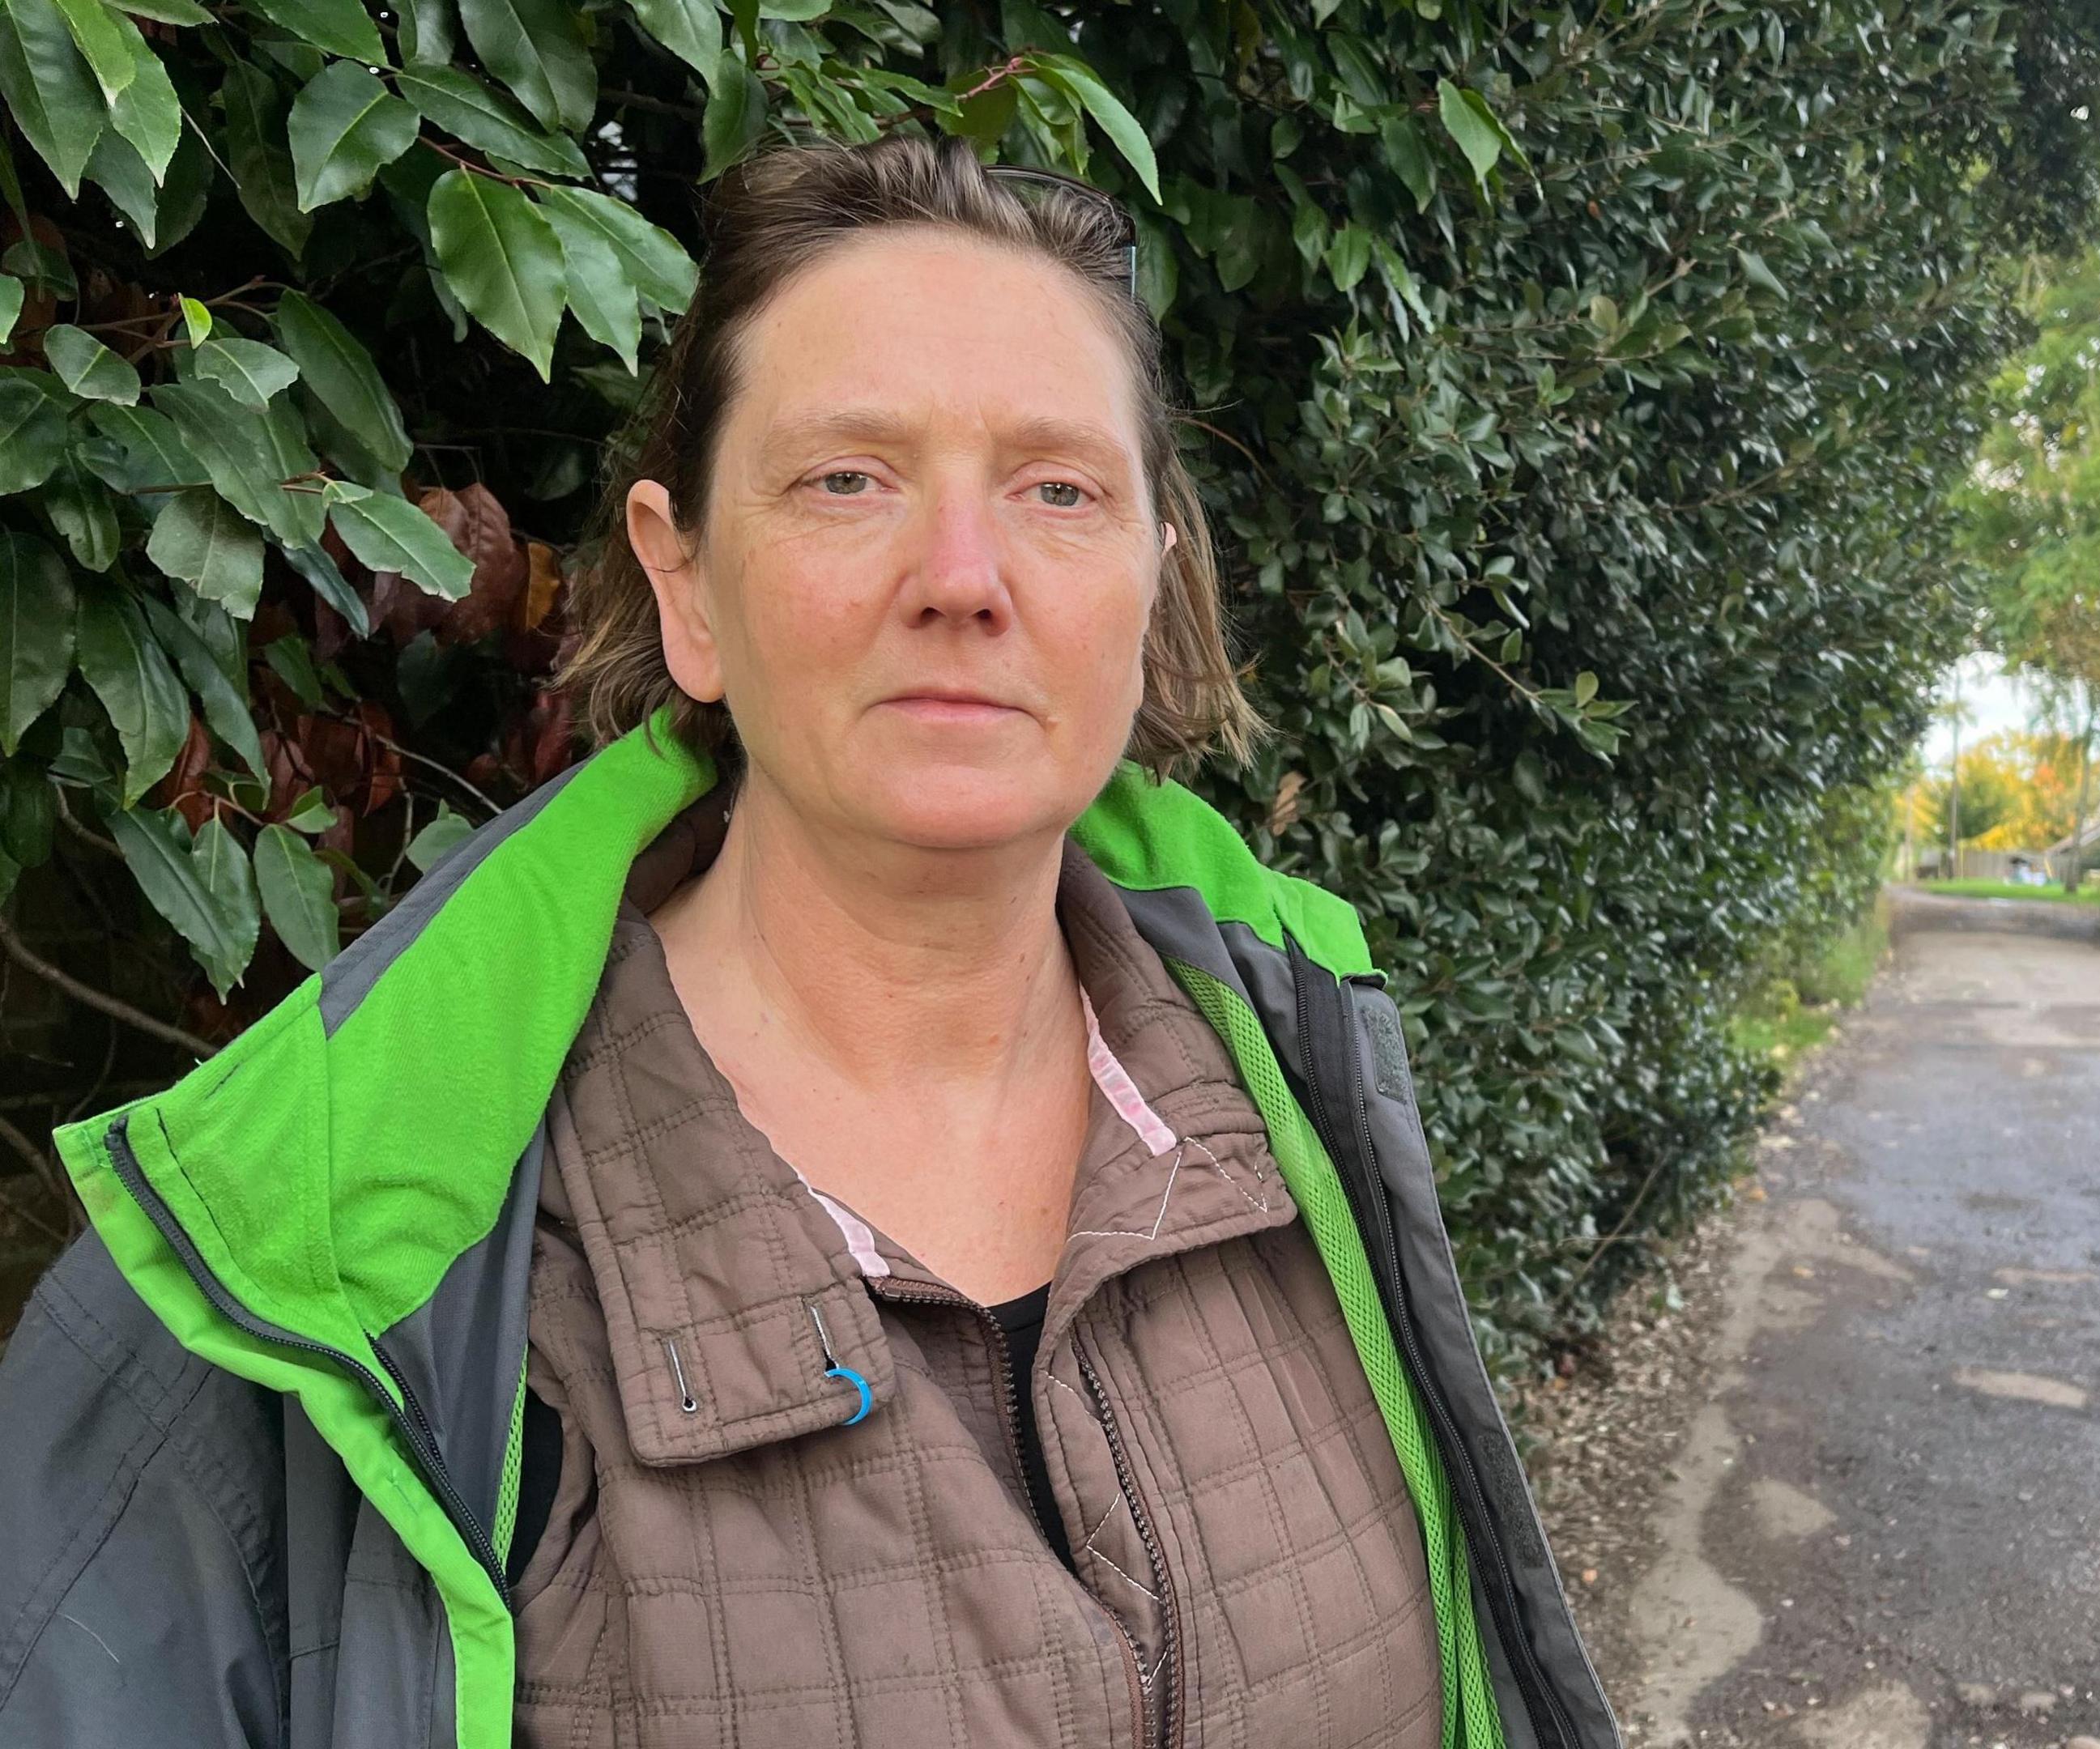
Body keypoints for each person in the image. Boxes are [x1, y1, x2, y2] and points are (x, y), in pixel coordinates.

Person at [0, 136, 1618, 1749]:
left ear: (1150, 581)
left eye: (1059, 490)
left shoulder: (1304, 1088)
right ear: (685, 581)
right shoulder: (298, 1277)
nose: (965, 578)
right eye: (849, 479)